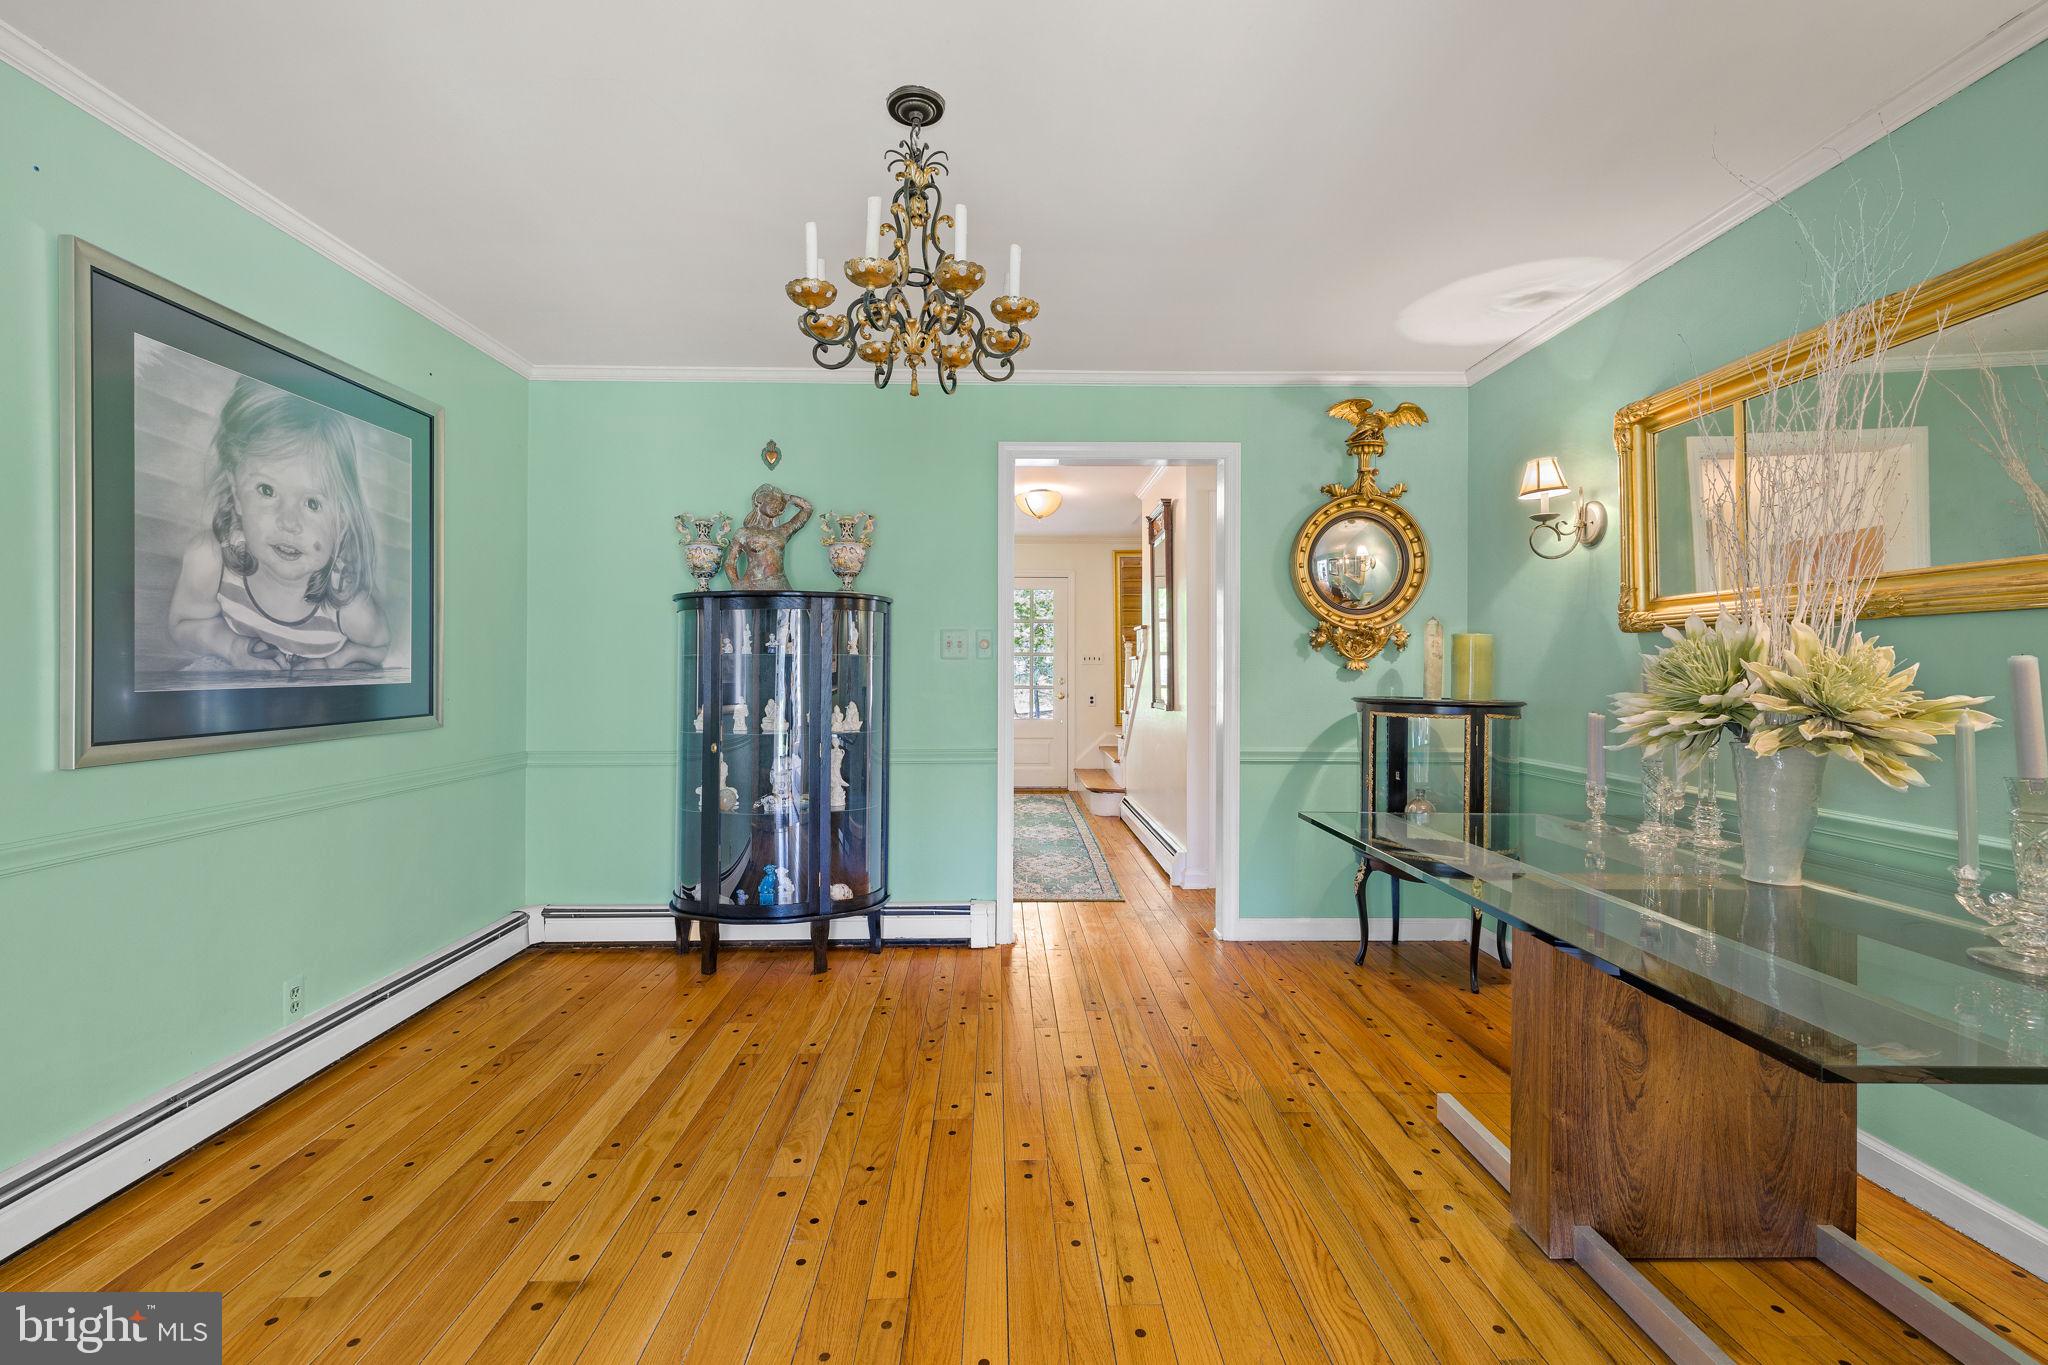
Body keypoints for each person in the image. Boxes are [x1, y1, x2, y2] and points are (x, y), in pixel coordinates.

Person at [166, 377, 390, 676]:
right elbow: (184, 623)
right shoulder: (211, 559)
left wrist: (330, 664)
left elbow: (378, 646)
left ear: (342, 520)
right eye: (267, 490)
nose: (289, 522)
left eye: (313, 503)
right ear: (237, 494)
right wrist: (232, 647)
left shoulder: (348, 605)